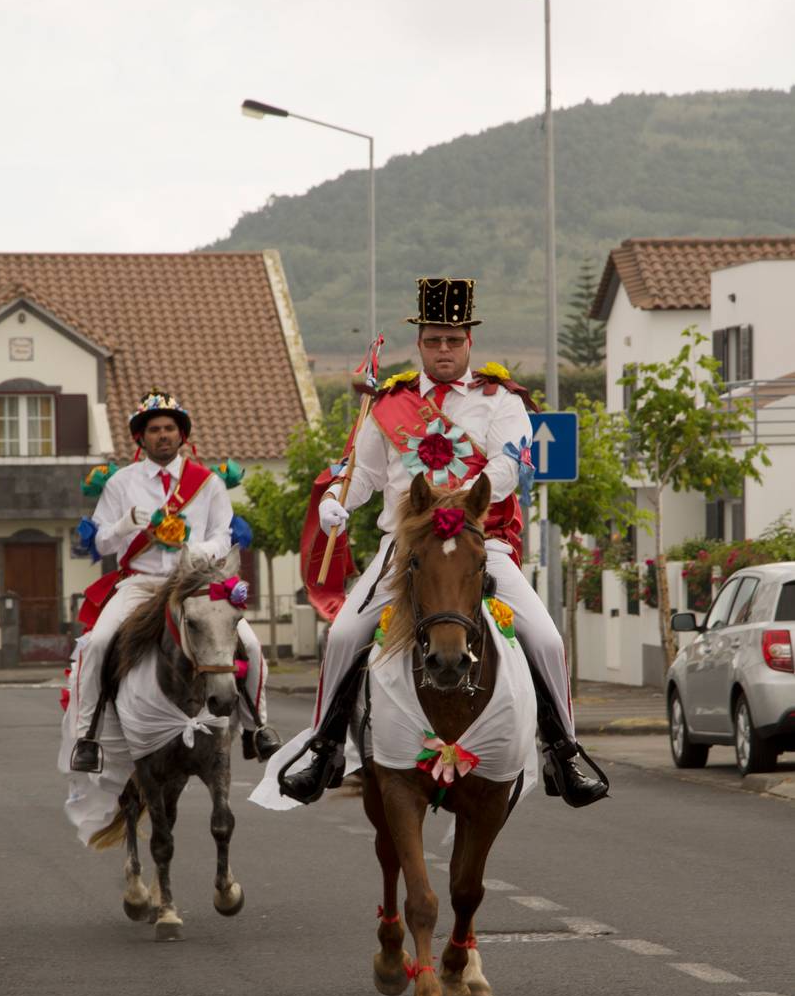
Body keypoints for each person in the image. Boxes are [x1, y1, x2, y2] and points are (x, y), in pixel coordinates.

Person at [282, 278, 607, 808]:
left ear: (469, 342)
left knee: (546, 641)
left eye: (453, 341)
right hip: (404, 548)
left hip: (481, 542)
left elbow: (509, 464)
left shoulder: (499, 400)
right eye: (434, 341)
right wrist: (336, 501)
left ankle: (563, 750)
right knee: (344, 636)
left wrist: (454, 502)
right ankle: (326, 748)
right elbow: (363, 474)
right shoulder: (391, 403)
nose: (443, 351)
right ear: (420, 343)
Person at [69, 389, 270, 772]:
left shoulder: (207, 482)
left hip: (193, 583)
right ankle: (88, 737)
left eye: (169, 428)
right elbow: (99, 541)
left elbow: (225, 535)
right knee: (97, 643)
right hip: (141, 583)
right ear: (141, 438)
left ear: (182, 435)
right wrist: (127, 522)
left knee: (250, 645)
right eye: (155, 429)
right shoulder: (121, 484)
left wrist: (194, 550)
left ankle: (256, 728)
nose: (163, 435)